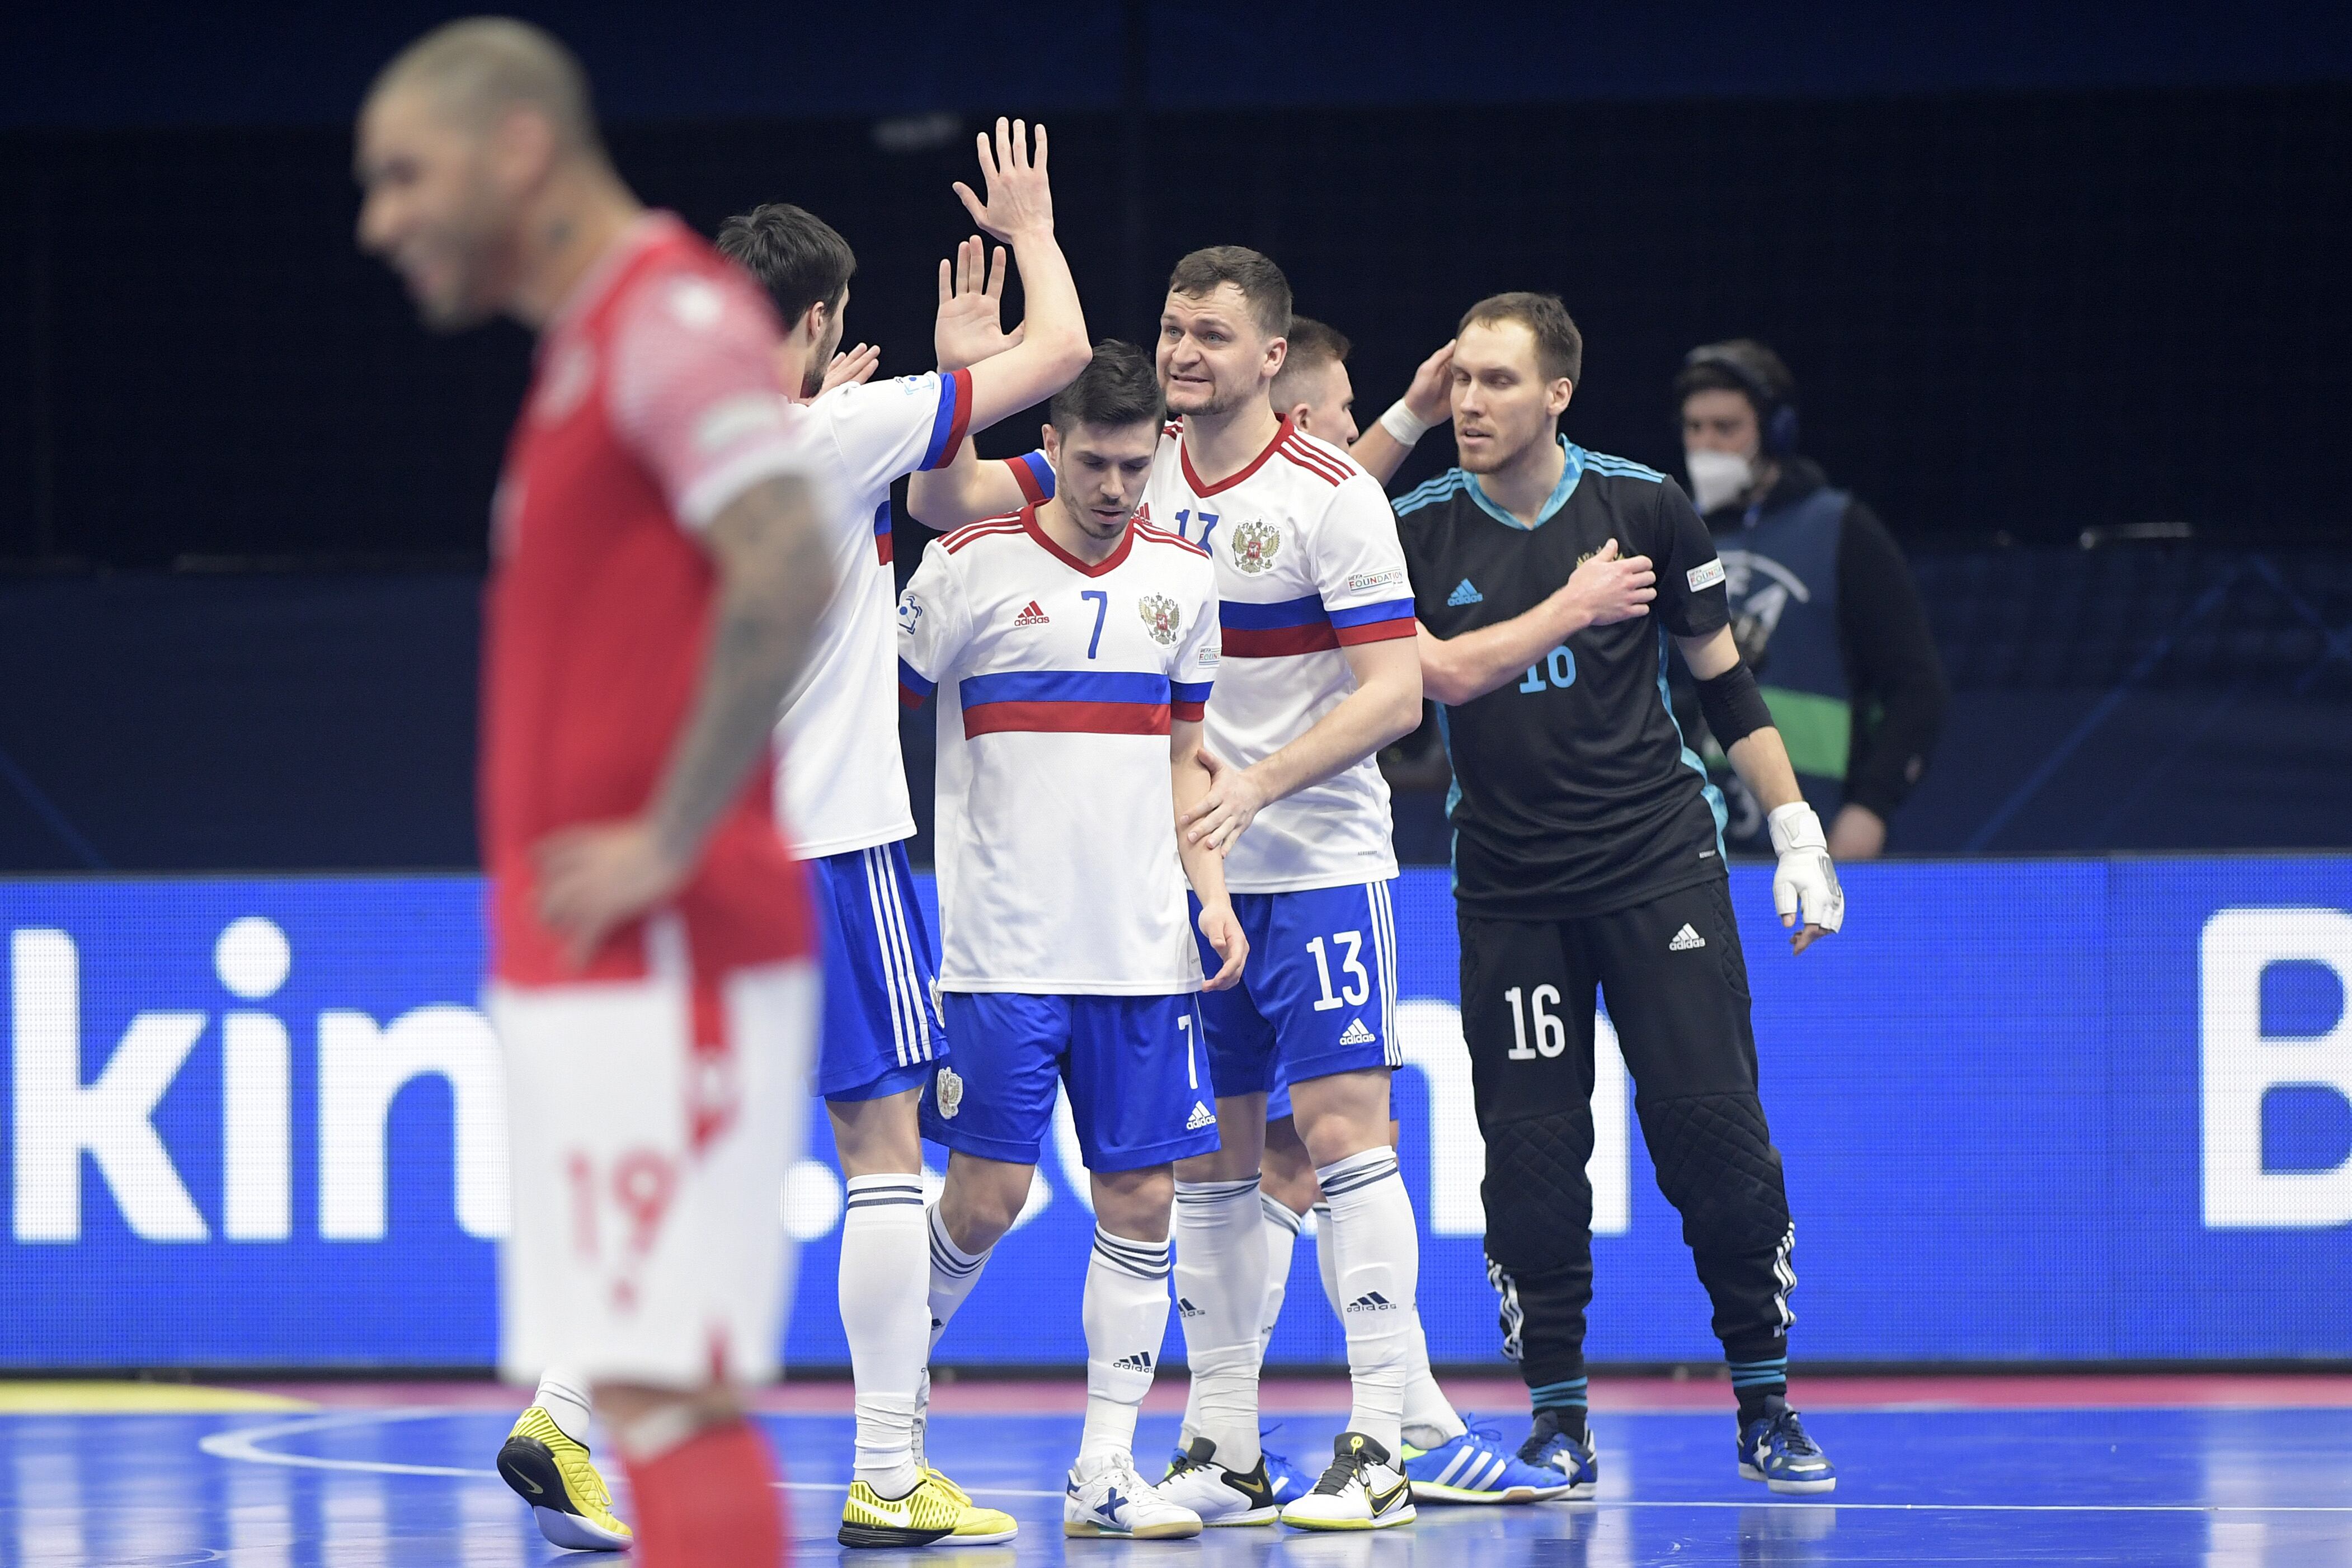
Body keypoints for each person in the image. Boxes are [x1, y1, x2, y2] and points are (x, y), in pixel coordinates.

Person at [357, 20, 837, 1566]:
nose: (380, 222)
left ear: (515, 150)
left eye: (402, 176)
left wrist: (675, 833)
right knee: (637, 1388)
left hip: (672, 950)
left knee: (667, 1392)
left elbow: (787, 558)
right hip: (603, 962)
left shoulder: (667, 318)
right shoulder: (593, 343)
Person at [1394, 291, 1845, 1498]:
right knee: (1533, 1156)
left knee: (1715, 1140)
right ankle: (1555, 1422)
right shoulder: (1415, 529)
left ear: (1557, 394)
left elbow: (1722, 682)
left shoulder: (1642, 506)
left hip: (1657, 867)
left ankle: (1763, 1404)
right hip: (1507, 888)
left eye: (1497, 382)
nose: (1469, 404)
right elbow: (1400, 672)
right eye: (1460, 382)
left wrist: (1795, 832)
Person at [899, 341, 1242, 1541]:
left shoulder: (1185, 581)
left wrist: (1210, 890)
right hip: (999, 951)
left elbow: (1180, 755)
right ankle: (891, 1418)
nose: (1112, 486)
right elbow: (875, 714)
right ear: (1047, 449)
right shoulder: (966, 566)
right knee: (983, 1200)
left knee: (1141, 1196)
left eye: (1134, 465)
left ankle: (1105, 1469)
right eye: (1092, 461)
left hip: (1141, 953)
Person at [1675, 340, 1947, 860]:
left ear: (1776, 433)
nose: (1706, 445)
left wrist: (1870, 809)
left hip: (1815, 838)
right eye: (1694, 427)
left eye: (1726, 428)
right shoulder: (1672, 532)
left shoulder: (1840, 530)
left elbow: (1919, 689)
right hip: (1688, 844)